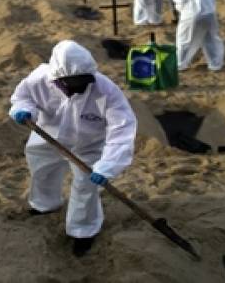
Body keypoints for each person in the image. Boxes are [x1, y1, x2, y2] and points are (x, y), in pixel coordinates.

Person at [9, 40, 137, 257]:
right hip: (48, 136)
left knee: (86, 186)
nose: (81, 86)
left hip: (89, 144)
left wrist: (106, 166)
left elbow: (122, 131)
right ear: (59, 78)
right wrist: (23, 110)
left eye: (85, 80)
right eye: (74, 82)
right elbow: (23, 97)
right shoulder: (40, 78)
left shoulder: (106, 91)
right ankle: (44, 204)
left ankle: (83, 231)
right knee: (42, 171)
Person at [172, 0, 225, 71]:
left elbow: (178, 2)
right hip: (210, 16)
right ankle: (215, 64)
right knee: (210, 39)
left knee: (184, 39)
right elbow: (213, 3)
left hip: (191, 15)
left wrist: (183, 12)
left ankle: (180, 64)